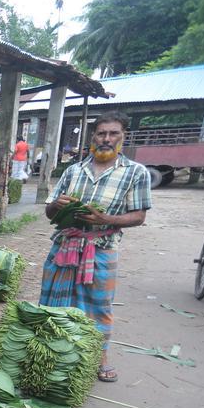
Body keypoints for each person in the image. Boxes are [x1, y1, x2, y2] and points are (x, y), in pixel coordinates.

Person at [39, 110, 150, 383]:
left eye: (113, 134)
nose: (106, 139)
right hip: (65, 245)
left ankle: (99, 358)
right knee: (53, 299)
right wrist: (56, 205)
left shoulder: (135, 173)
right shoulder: (73, 171)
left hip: (101, 248)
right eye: (101, 133)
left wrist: (105, 219)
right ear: (93, 137)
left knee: (97, 305)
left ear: (122, 138)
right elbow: (50, 212)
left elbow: (138, 216)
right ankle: (48, 352)